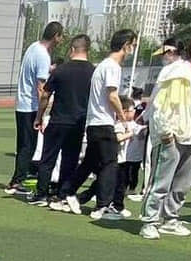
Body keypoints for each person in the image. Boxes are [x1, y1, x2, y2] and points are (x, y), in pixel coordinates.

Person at [58, 28, 137, 222]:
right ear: (126, 46)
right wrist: (123, 118)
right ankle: (103, 205)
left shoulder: (102, 65)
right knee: (110, 164)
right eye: (133, 45)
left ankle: (67, 193)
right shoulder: (112, 67)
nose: (133, 49)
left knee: (90, 162)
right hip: (103, 122)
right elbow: (112, 95)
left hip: (95, 122)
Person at [139, 32, 191, 240]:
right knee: (161, 180)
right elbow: (161, 104)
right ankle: (150, 220)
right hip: (171, 134)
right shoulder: (178, 72)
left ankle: (170, 218)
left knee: (183, 183)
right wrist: (165, 132)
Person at [38, 35, 96, 209]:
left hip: (58, 120)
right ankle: (62, 193)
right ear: (88, 50)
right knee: (70, 160)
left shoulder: (60, 70)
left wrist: (39, 116)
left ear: (72, 49)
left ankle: (41, 193)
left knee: (48, 158)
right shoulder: (93, 72)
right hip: (78, 121)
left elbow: (45, 95)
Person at [8, 22, 64, 194]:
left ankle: (19, 178)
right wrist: (41, 113)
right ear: (56, 36)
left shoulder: (34, 47)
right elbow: (41, 87)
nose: (61, 41)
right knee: (28, 146)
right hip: (30, 105)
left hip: (23, 103)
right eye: (61, 37)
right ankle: (18, 181)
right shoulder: (43, 55)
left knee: (25, 144)